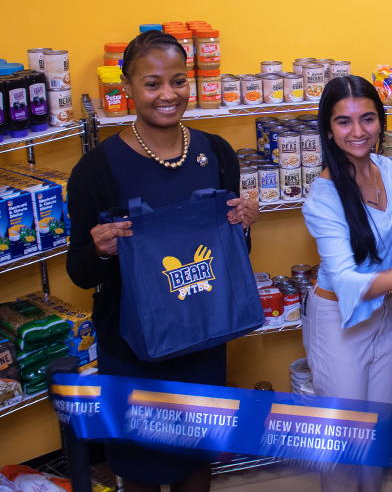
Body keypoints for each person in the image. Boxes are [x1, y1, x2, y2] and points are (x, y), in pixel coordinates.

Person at [66, 31, 259, 492]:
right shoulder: (96, 169)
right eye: (152, 84)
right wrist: (98, 249)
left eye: (177, 81)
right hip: (132, 348)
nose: (167, 95)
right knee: (140, 469)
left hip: (202, 335)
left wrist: (244, 226)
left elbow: (231, 256)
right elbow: (78, 272)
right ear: (127, 88)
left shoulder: (216, 152)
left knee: (197, 460)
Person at [300, 75, 392, 492]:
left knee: (375, 436)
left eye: (368, 118)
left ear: (381, 121)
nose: (358, 132)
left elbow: (391, 246)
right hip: (339, 324)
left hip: (386, 316)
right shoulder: (322, 198)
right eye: (344, 122)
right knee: (343, 444)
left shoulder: (385, 167)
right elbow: (346, 283)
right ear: (328, 129)